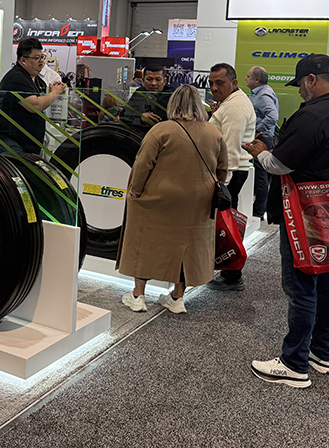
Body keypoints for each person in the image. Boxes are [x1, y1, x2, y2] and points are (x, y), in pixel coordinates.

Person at [241, 54, 329, 388]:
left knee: (301, 284)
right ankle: (323, 353)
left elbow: (280, 165)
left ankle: (294, 363)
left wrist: (260, 153)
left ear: (312, 80)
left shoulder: (311, 115)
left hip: (303, 212)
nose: (300, 91)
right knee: (327, 279)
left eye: (301, 85)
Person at [117, 84, 229, 314]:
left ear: (173, 103)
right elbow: (222, 169)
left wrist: (135, 191)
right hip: (199, 202)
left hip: (159, 199)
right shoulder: (214, 133)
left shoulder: (161, 130)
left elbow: (143, 164)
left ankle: (138, 295)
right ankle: (177, 298)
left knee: (145, 243)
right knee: (189, 248)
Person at [205, 62, 256, 292]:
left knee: (227, 227)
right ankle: (229, 272)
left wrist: (221, 184)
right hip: (230, 174)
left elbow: (231, 148)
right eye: (211, 83)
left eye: (220, 83)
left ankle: (233, 276)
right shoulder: (232, 102)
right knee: (227, 225)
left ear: (234, 83)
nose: (214, 87)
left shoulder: (235, 107)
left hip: (230, 174)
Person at [0, 37, 66, 154]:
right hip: (7, 141)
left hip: (26, 143)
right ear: (23, 60)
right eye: (36, 58)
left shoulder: (37, 81)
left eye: (42, 57)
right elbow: (36, 105)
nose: (41, 61)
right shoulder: (17, 78)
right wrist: (55, 92)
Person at [246, 65, 279, 221]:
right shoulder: (262, 93)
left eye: (248, 76)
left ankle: (259, 210)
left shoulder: (264, 95)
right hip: (264, 137)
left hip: (263, 138)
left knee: (260, 176)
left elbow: (273, 116)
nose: (246, 79)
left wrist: (257, 129)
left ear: (257, 80)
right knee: (261, 176)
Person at [120, 64, 175, 130]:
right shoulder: (139, 93)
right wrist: (141, 118)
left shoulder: (172, 96)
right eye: (149, 79)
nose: (153, 83)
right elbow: (125, 115)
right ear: (143, 81)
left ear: (164, 81)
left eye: (158, 80)